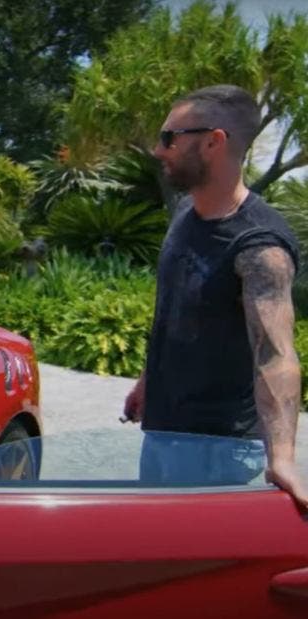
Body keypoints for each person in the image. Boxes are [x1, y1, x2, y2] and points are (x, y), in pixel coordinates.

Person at [122, 85, 307, 506]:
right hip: (164, 433)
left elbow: (275, 354)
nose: (158, 149)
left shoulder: (260, 246)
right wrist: (150, 381)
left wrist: (282, 459)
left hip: (218, 452)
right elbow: (178, 308)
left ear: (213, 141)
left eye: (170, 137)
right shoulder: (188, 213)